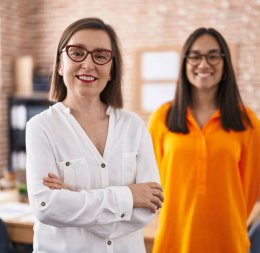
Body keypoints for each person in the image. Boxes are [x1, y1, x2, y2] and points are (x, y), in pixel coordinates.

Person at [26, 17, 163, 253]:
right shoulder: (41, 127)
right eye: (77, 53)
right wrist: (128, 196)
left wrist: (73, 198)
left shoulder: (134, 127)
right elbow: (46, 206)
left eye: (100, 56)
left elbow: (148, 207)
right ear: (60, 65)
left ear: (111, 70)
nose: (88, 65)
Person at [148, 27, 260, 253]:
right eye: (195, 56)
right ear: (184, 63)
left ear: (225, 64)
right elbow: (152, 183)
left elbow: (249, 190)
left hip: (228, 242)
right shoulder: (162, 118)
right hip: (174, 241)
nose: (203, 64)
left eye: (213, 56)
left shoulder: (248, 122)